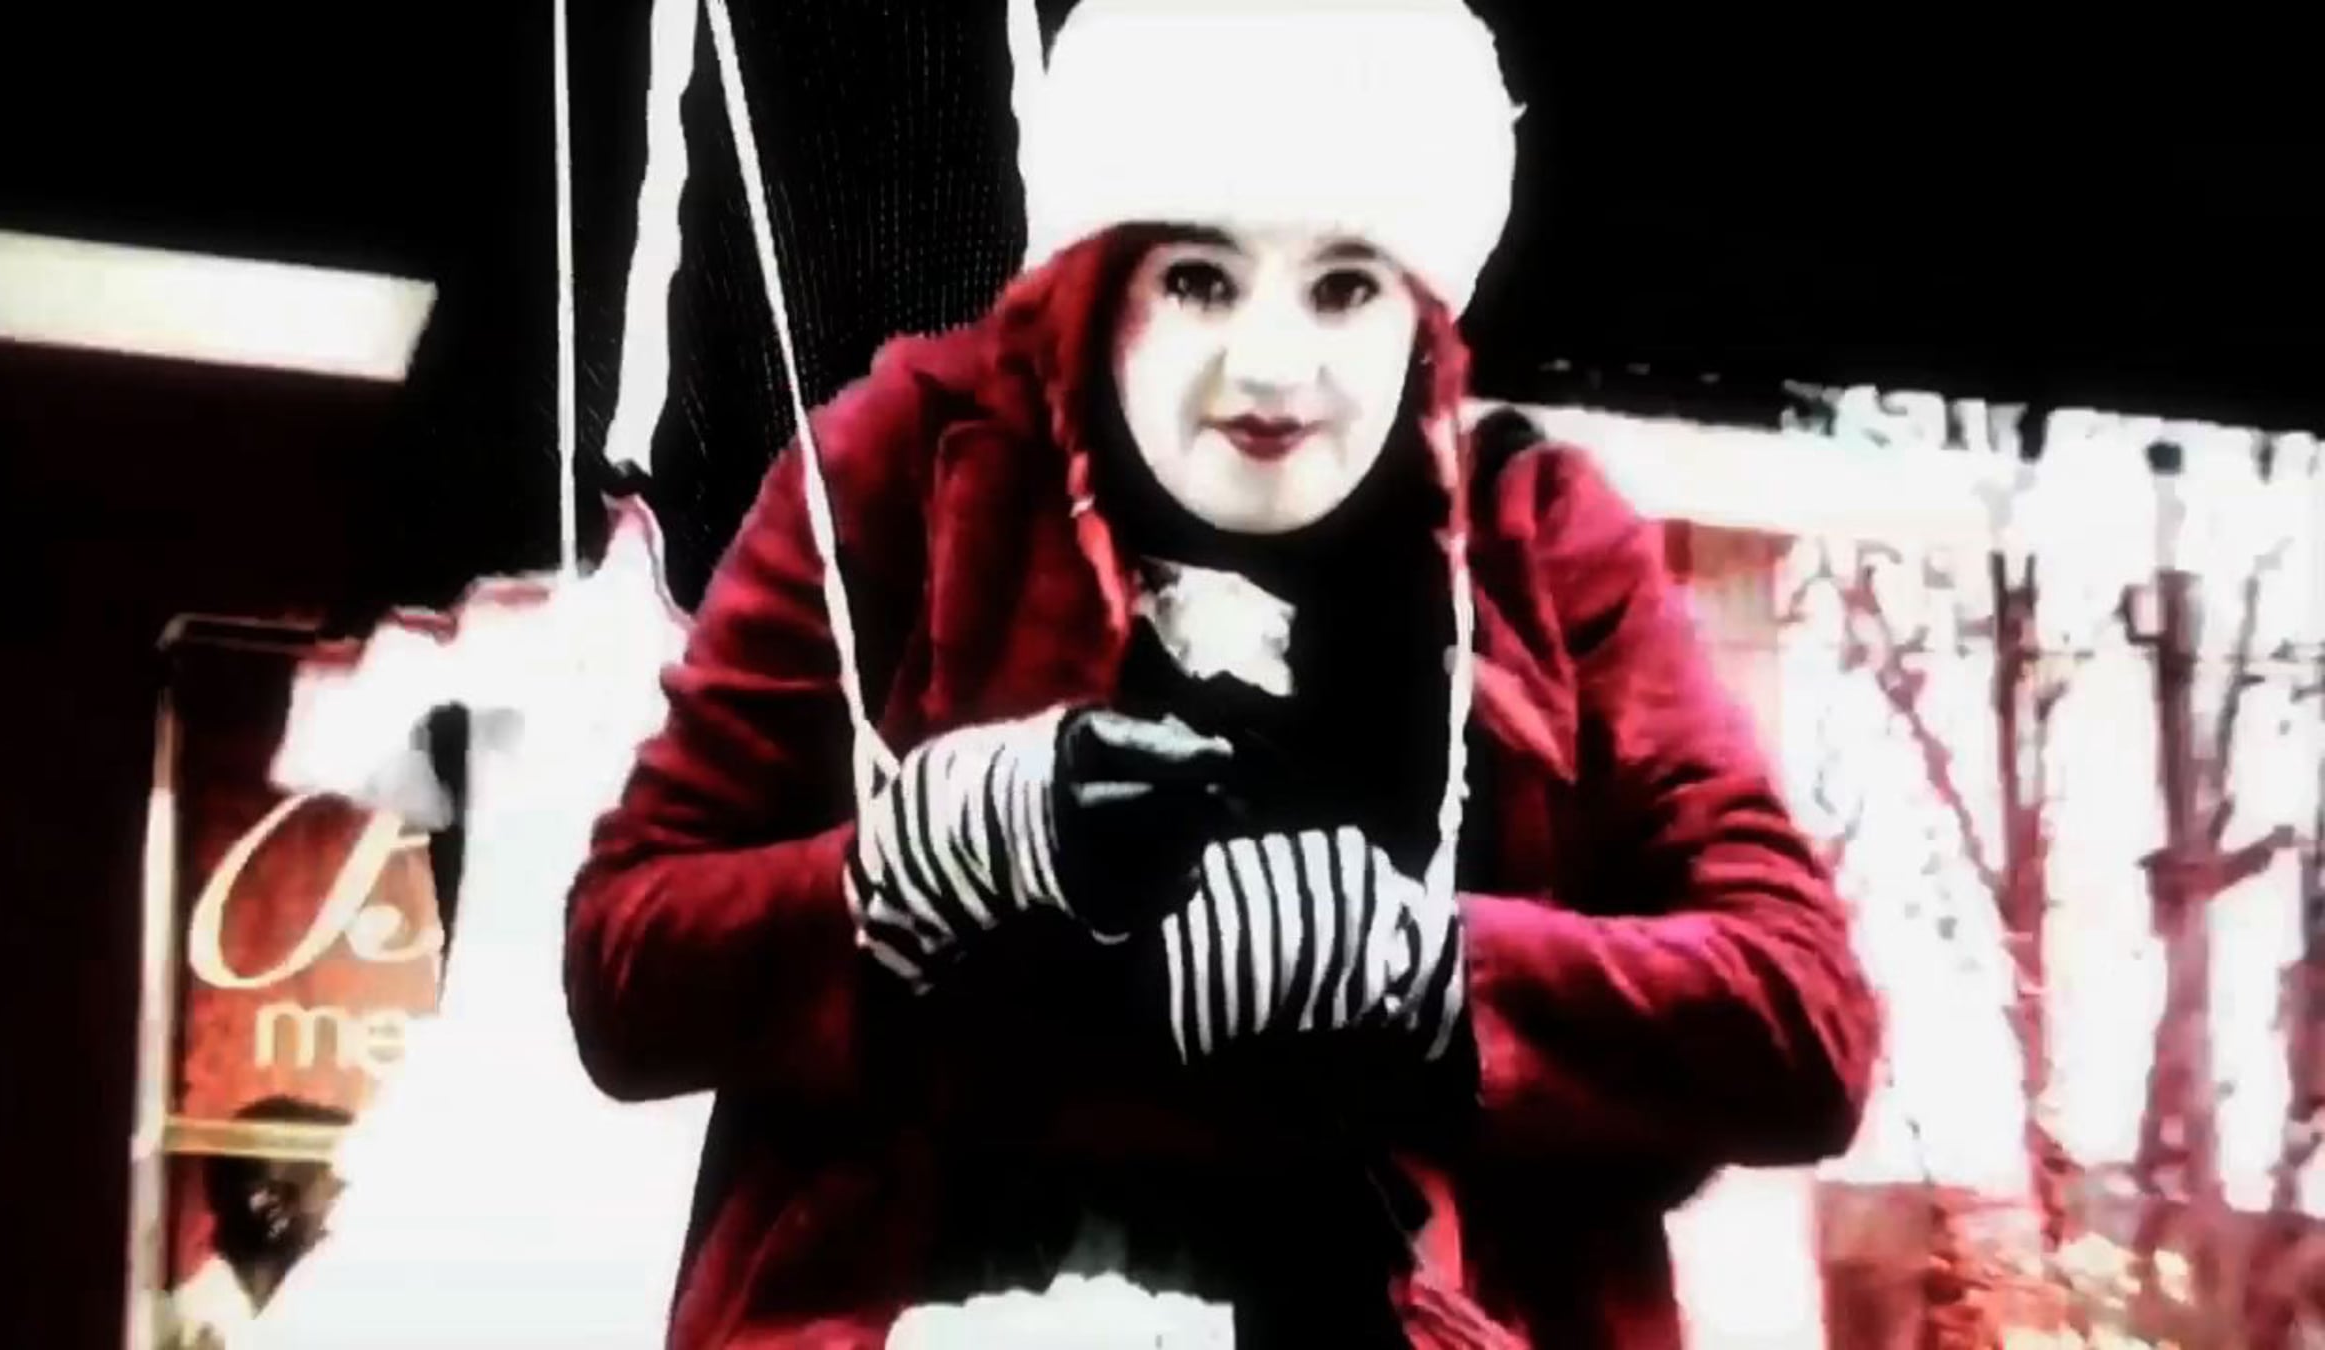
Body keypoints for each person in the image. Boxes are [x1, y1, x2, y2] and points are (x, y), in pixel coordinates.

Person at [565, 1, 1882, 1346]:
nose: (1272, 365)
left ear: (1423, 310)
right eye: (1201, 279)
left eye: (1345, 285)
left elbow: (1802, 1014)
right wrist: (932, 853)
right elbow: (624, 968)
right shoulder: (902, 477)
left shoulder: (1539, 543)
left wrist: (1421, 966)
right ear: (1103, 281)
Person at [159, 1098, 351, 1350]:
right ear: (271, 1204)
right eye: (329, 1182)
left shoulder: (263, 1317)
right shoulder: (201, 1325)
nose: (339, 1196)